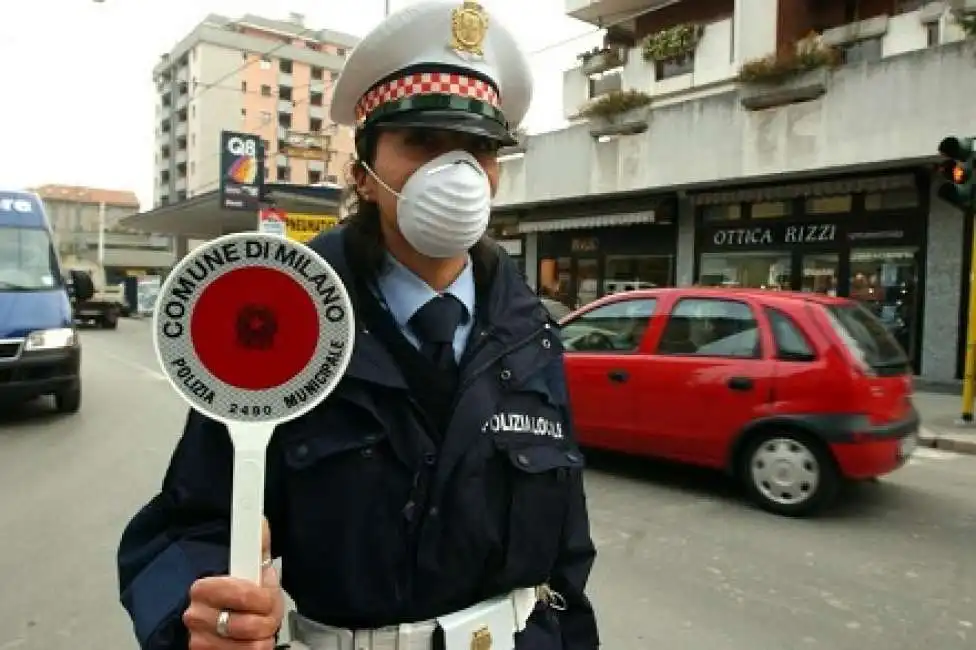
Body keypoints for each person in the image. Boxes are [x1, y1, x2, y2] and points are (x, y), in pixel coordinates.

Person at [116, 2, 600, 649]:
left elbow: (568, 555)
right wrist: (206, 610)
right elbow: (190, 525)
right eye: (423, 142)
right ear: (363, 174)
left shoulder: (530, 331)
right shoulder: (287, 318)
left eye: (478, 148)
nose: (454, 173)